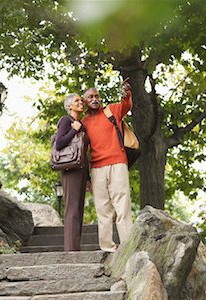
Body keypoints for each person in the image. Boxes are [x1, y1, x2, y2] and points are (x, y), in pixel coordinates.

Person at [81, 82, 133, 252]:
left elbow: (126, 106)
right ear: (85, 101)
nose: (94, 99)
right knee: (102, 208)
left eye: (96, 96)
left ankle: (128, 245)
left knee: (122, 205)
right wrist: (87, 177)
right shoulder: (84, 123)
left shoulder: (111, 110)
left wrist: (126, 94)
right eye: (90, 97)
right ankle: (107, 246)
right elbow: (83, 150)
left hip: (118, 162)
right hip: (97, 168)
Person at [55, 93, 89, 251]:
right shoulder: (65, 121)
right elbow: (59, 143)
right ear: (70, 106)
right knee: (72, 209)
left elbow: (83, 151)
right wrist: (73, 131)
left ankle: (75, 247)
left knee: (79, 209)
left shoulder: (80, 124)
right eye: (77, 101)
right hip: (70, 169)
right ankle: (71, 250)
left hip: (81, 169)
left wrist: (88, 177)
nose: (81, 103)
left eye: (81, 101)